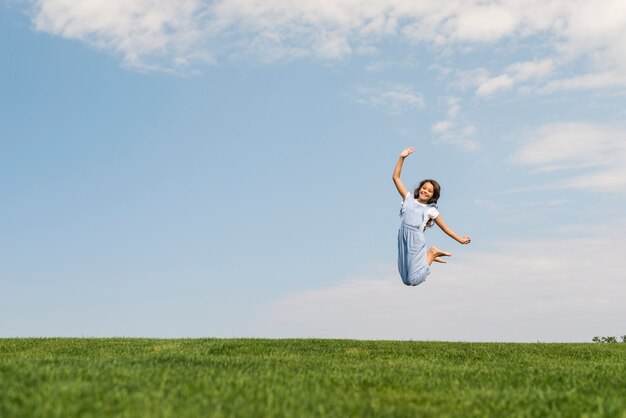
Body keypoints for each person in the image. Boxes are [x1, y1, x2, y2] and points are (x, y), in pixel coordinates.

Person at [393, 146, 471, 286]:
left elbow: (445, 228)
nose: (425, 191)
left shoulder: (431, 210)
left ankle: (432, 254)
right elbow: (396, 177)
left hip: (416, 241)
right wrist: (402, 158)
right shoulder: (408, 198)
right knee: (405, 280)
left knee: (413, 280)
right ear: (419, 188)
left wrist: (460, 240)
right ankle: (429, 255)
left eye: (429, 191)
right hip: (403, 238)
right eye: (424, 188)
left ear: (433, 196)